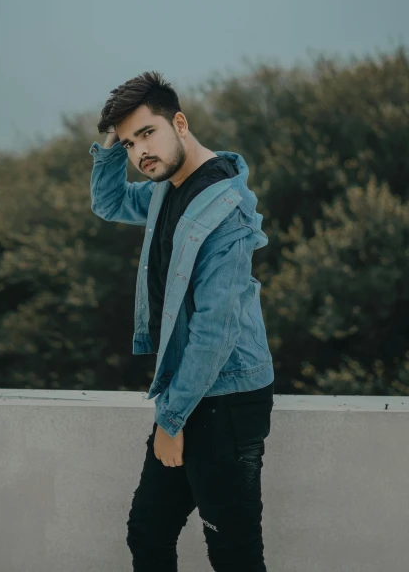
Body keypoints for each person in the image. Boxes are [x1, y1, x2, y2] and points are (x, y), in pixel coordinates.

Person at [89, 70, 275, 571]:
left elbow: (216, 329)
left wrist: (170, 421)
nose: (139, 151)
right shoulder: (167, 188)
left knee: (234, 556)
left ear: (180, 122)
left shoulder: (225, 209)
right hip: (187, 392)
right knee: (147, 533)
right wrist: (110, 144)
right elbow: (107, 203)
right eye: (129, 143)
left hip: (228, 399)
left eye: (147, 133)